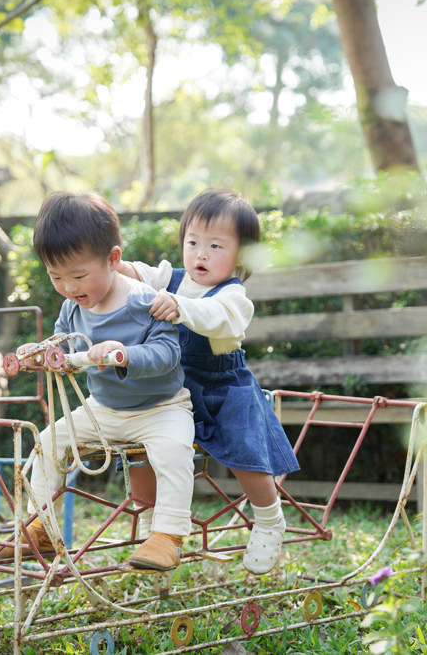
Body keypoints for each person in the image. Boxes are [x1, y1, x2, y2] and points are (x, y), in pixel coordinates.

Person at [118, 188, 299, 574]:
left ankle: (268, 519)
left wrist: (181, 308)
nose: (201, 253)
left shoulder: (234, 296)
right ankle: (151, 521)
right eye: (193, 241)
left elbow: (214, 316)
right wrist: (110, 264)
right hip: (172, 384)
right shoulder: (172, 278)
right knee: (140, 445)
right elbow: (140, 274)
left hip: (222, 387)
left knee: (245, 448)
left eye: (216, 245)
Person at [23, 191, 195, 572]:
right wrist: (42, 354)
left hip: (161, 408)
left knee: (174, 451)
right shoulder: (73, 308)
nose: (69, 287)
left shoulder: (148, 301)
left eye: (79, 275)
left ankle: (167, 536)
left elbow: (169, 355)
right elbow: (62, 344)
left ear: (113, 259)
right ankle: (41, 527)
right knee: (48, 442)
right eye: (56, 277)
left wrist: (125, 353)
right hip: (103, 410)